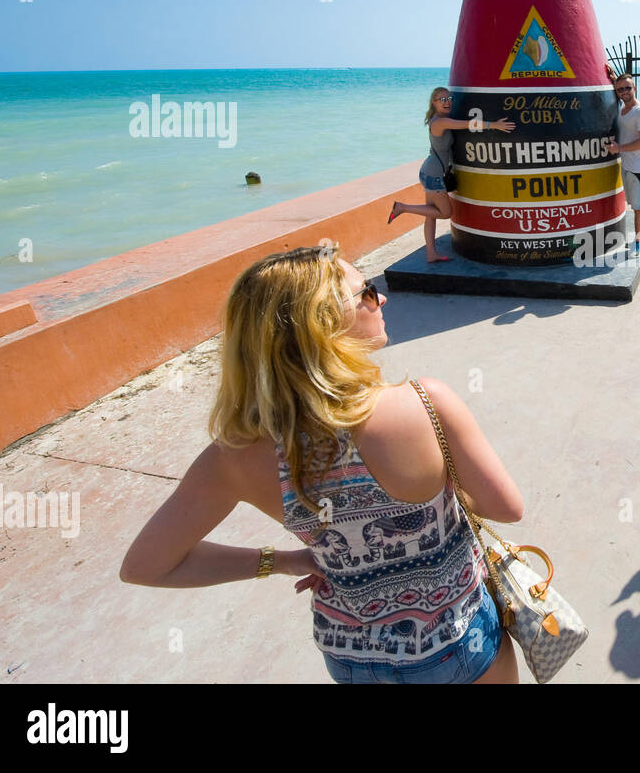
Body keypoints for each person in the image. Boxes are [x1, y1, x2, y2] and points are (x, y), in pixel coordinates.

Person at [119, 245, 524, 684]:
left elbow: (145, 566)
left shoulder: (234, 456)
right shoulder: (425, 402)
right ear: (324, 324)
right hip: (454, 639)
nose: (380, 298)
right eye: (366, 292)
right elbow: (506, 507)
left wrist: (282, 561)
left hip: (351, 656)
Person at [388, 87, 516, 262]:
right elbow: (467, 124)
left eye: (449, 98)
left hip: (431, 170)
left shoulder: (441, 119)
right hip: (433, 174)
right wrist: (495, 125)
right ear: (433, 103)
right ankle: (402, 207)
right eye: (442, 99)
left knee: (431, 214)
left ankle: (431, 253)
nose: (447, 102)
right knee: (445, 212)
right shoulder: (439, 122)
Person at [606, 74, 640, 251]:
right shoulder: (622, 109)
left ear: (635, 89)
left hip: (639, 167)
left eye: (628, 88)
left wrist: (619, 149)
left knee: (638, 207)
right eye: (620, 89)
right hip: (627, 165)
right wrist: (612, 76)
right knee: (638, 205)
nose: (624, 92)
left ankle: (637, 243)